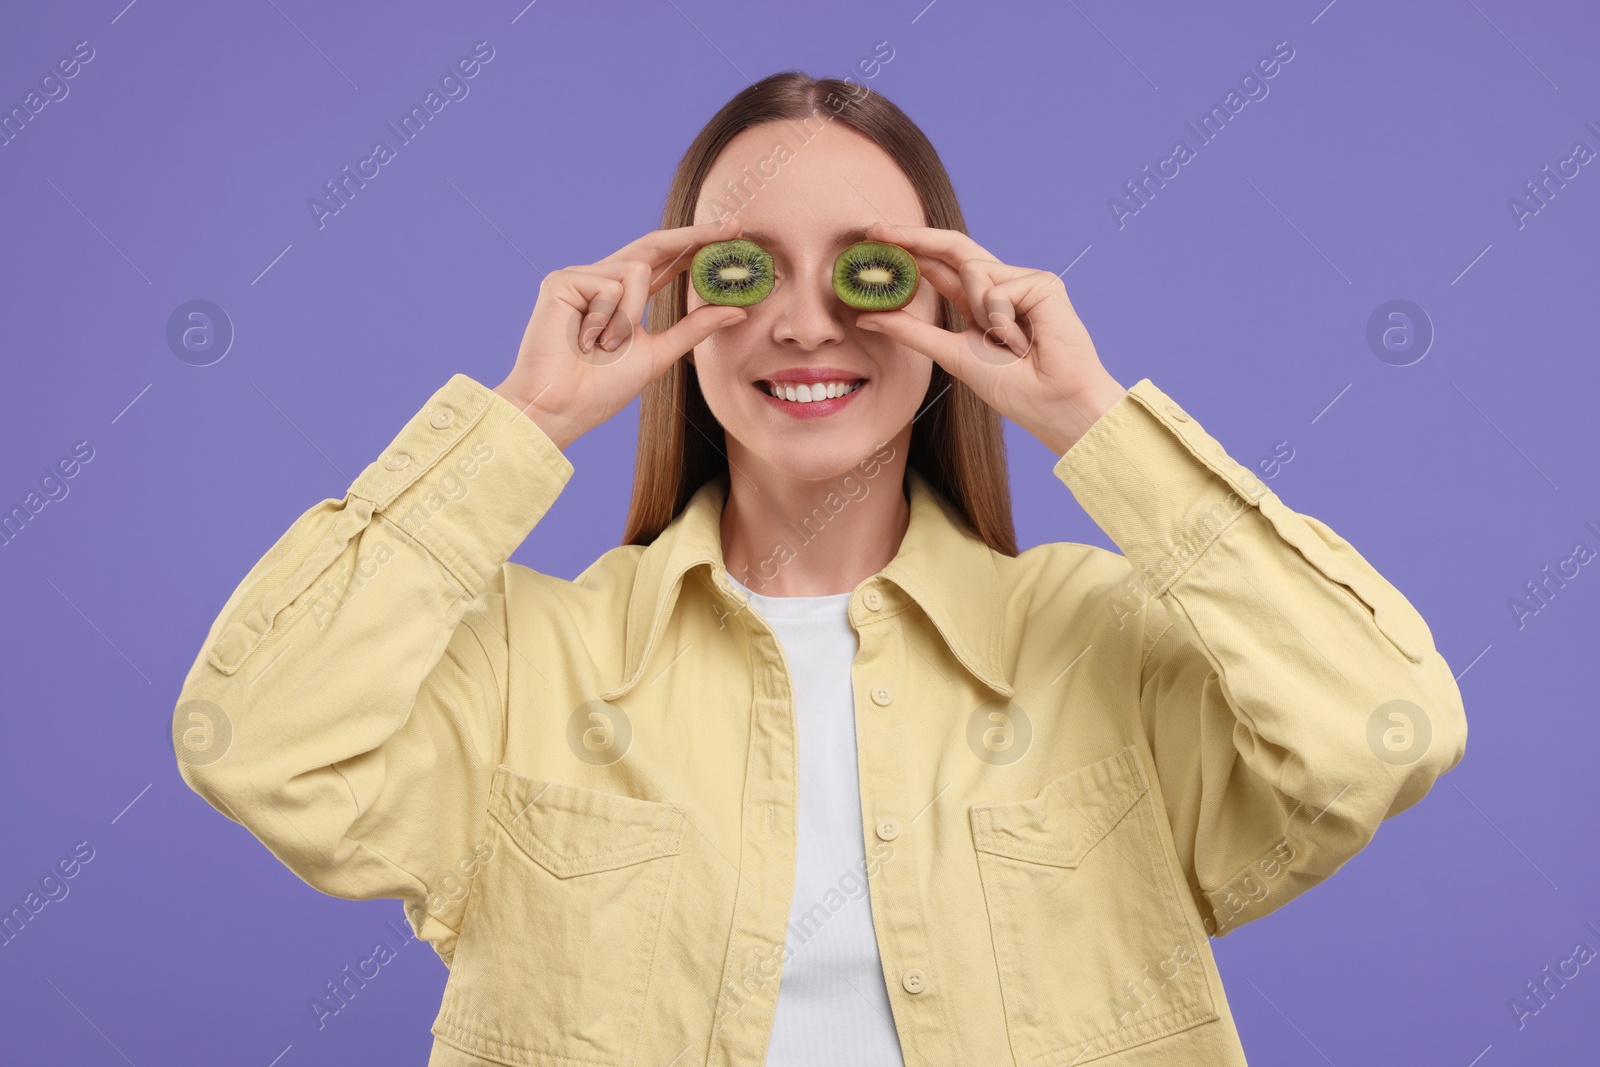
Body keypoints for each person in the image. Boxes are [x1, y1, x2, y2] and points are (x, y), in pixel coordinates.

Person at [171, 71, 1467, 1066]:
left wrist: (1095, 421)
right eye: (745, 269)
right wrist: (522, 420)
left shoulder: (1095, 646)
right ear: (685, 307)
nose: (803, 320)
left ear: (947, 301)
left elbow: (1380, 730)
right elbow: (251, 740)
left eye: (868, 270)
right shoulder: (529, 663)